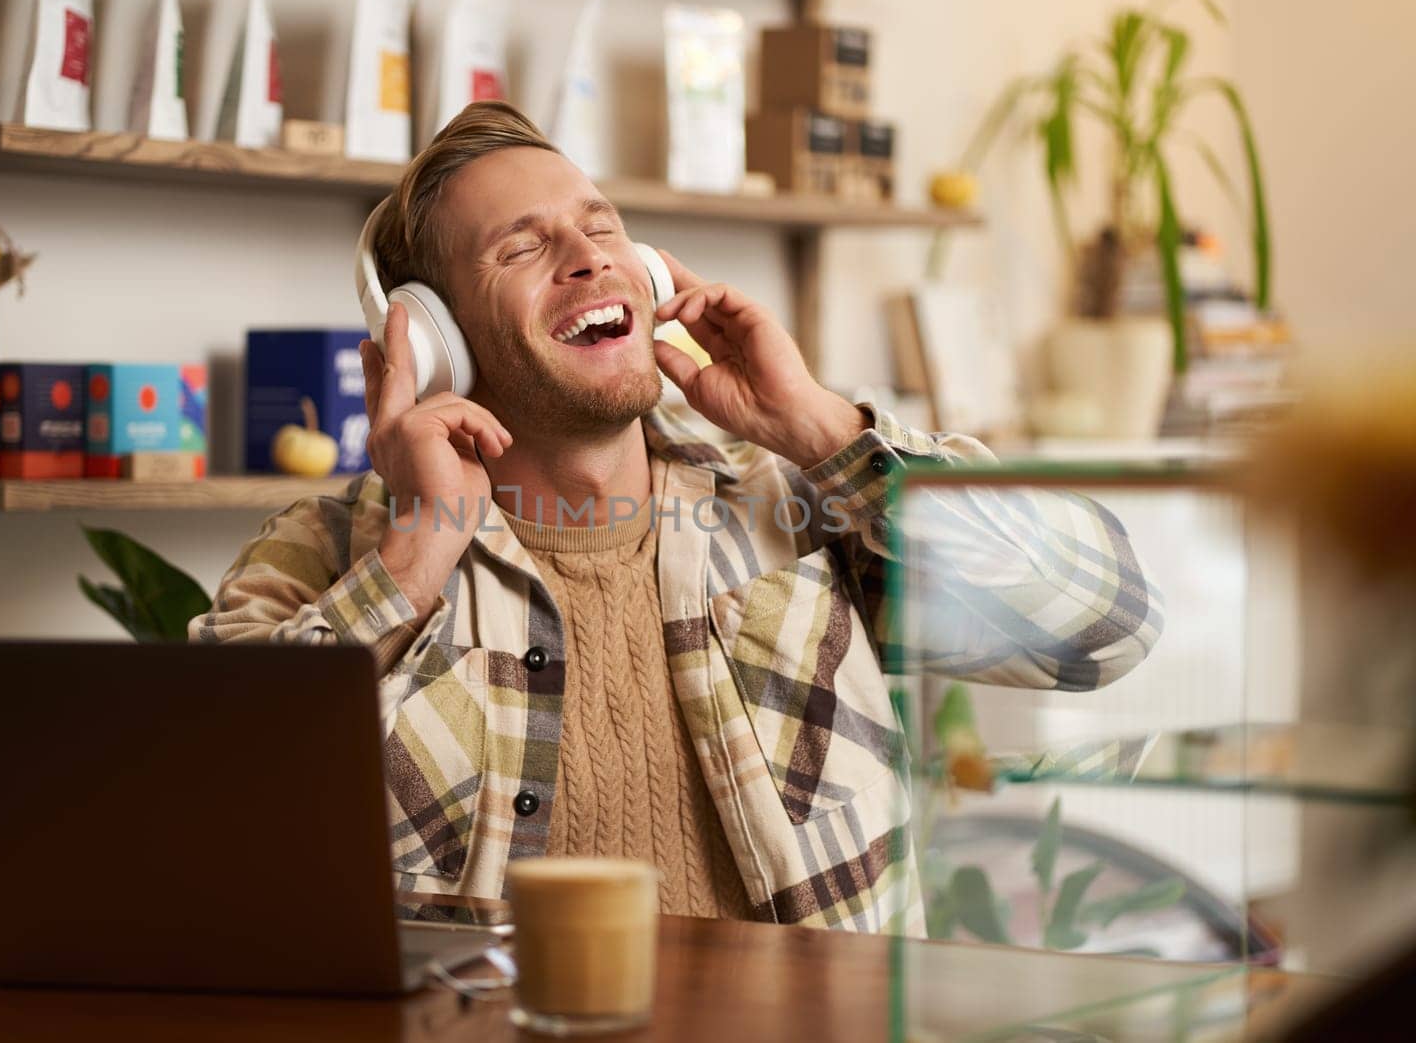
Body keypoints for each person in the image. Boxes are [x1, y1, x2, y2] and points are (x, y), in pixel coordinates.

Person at [194, 101, 1162, 934]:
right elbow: (205, 837)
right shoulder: (334, 552)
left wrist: (821, 426)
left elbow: (1105, 624)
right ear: (434, 345)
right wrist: (413, 556)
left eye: (602, 228)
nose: (587, 259)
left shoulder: (799, 502)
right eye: (523, 246)